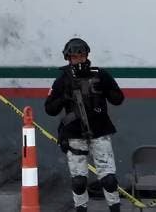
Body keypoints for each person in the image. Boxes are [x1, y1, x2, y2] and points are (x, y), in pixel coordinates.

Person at [44, 37, 125, 212]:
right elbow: (49, 109)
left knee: (109, 179)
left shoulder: (100, 74)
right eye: (74, 57)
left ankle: (115, 207)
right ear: (68, 58)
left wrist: (105, 88)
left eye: (81, 56)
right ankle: (81, 208)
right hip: (74, 134)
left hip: (100, 131)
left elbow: (118, 99)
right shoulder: (62, 80)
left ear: (87, 56)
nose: (78, 60)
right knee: (79, 181)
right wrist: (64, 97)